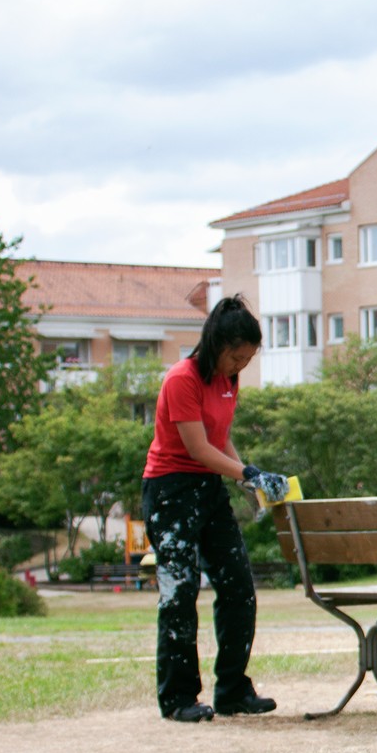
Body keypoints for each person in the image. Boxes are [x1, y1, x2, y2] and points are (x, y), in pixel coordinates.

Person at [141, 295, 289, 723]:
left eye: (247, 359)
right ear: (216, 345)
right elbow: (197, 448)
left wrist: (247, 480)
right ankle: (178, 697)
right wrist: (248, 473)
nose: (240, 366)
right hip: (170, 492)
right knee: (180, 593)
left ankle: (232, 689)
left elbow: (220, 437)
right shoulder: (182, 379)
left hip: (208, 489)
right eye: (236, 357)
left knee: (239, 586)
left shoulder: (229, 381)